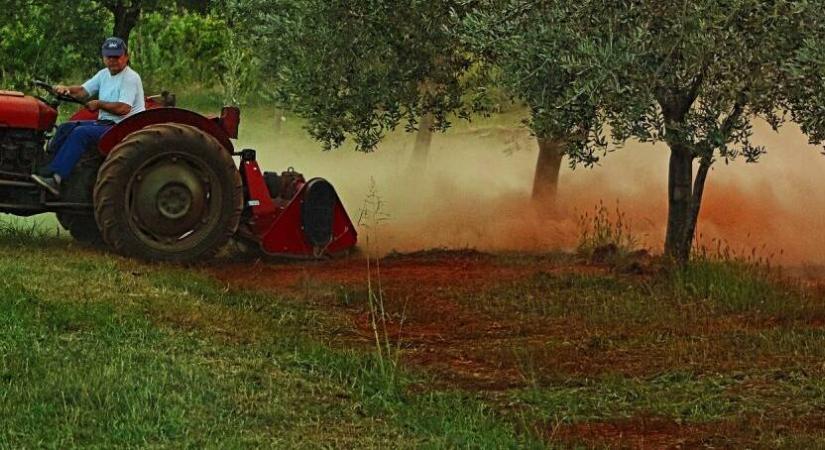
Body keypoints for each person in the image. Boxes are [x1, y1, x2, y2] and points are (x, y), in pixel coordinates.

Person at [31, 37, 145, 195]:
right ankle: (45, 168)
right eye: (109, 57)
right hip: (107, 124)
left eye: (116, 56)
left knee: (80, 134)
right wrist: (66, 89)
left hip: (123, 128)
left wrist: (98, 104)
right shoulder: (104, 74)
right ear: (103, 57)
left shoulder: (130, 78)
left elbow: (123, 108)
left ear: (126, 57)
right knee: (65, 128)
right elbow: (83, 91)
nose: (112, 61)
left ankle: (56, 180)